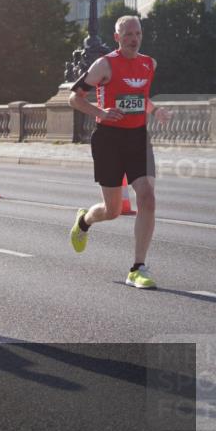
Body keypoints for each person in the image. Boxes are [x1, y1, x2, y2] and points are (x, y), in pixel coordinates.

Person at [68, 16, 172, 289]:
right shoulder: (104, 64)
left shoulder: (149, 64)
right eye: (127, 34)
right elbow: (74, 97)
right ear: (117, 37)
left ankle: (138, 267)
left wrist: (155, 110)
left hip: (138, 138)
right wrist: (100, 112)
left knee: (147, 198)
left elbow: (140, 97)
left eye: (137, 33)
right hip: (108, 140)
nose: (133, 39)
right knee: (113, 210)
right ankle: (85, 220)